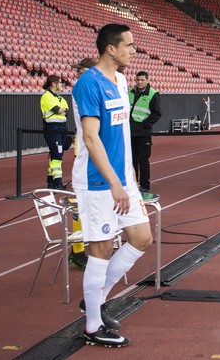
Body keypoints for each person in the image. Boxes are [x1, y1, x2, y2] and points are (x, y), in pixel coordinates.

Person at [72, 24, 153, 348]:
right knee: (101, 249)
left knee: (141, 238)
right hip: (97, 181)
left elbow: (120, 137)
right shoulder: (88, 84)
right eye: (129, 45)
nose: (134, 50)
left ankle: (96, 298)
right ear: (110, 48)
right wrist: (114, 183)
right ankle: (92, 325)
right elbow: (91, 138)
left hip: (122, 179)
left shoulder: (120, 81)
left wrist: (129, 181)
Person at [67, 57, 97, 272]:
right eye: (77, 70)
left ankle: (88, 246)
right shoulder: (83, 86)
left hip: (89, 148)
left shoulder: (87, 84)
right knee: (82, 201)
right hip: (87, 150)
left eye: (80, 70)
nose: (76, 73)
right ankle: (78, 250)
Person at [129, 71, 161, 199]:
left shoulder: (153, 94)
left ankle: (144, 185)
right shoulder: (130, 92)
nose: (140, 82)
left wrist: (145, 125)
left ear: (147, 80)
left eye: (142, 80)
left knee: (143, 160)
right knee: (132, 160)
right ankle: (133, 183)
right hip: (130, 132)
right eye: (138, 80)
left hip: (143, 133)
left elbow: (157, 113)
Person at [41, 75, 69, 189]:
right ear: (53, 83)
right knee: (57, 155)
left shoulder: (60, 98)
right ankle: (58, 182)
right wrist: (61, 110)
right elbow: (57, 110)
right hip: (52, 128)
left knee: (57, 154)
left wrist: (62, 110)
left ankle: (51, 180)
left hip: (62, 128)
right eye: (60, 82)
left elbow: (66, 110)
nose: (61, 85)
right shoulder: (46, 96)